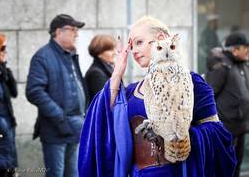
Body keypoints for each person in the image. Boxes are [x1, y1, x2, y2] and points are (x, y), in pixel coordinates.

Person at [78, 16, 236, 177]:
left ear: (160, 39)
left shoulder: (193, 81)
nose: (134, 51)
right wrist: (117, 72)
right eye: (131, 46)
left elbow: (217, 134)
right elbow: (101, 118)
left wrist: (174, 136)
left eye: (139, 42)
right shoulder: (131, 91)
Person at [26, 14, 89, 177]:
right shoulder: (43, 57)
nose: (76, 34)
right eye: (73, 30)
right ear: (58, 32)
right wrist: (60, 117)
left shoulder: (70, 55)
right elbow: (34, 92)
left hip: (74, 128)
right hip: (55, 130)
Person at [206, 32, 249, 177]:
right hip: (226, 130)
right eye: (245, 48)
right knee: (224, 170)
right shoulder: (221, 66)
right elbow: (209, 96)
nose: (248, 51)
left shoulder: (242, 66)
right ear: (235, 50)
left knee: (236, 168)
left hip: (241, 127)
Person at [0, 33, 18, 177]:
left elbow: (14, 92)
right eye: (2, 48)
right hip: (1, 130)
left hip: (7, 130)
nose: (5, 51)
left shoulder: (2, 72)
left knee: (8, 169)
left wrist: (4, 67)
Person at [85, 34, 116, 102]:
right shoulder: (96, 73)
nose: (114, 52)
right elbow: (104, 100)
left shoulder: (107, 68)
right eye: (110, 50)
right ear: (99, 53)